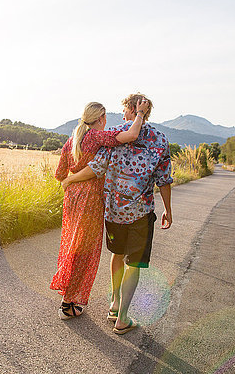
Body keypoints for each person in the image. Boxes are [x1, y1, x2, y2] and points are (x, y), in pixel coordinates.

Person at [61, 93, 173, 334]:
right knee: (134, 264)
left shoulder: (114, 135)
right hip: (142, 213)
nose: (122, 115)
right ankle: (122, 317)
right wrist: (168, 210)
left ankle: (113, 304)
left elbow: (97, 167)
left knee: (117, 255)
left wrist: (70, 180)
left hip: (114, 213)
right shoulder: (160, 139)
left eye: (124, 110)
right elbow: (164, 179)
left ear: (131, 110)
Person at [51, 100, 149, 320]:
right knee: (84, 250)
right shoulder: (96, 137)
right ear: (100, 118)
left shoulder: (71, 140)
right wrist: (140, 113)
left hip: (72, 197)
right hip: (90, 199)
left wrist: (72, 179)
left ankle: (68, 297)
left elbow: (59, 175)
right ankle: (67, 303)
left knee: (72, 244)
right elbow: (132, 135)